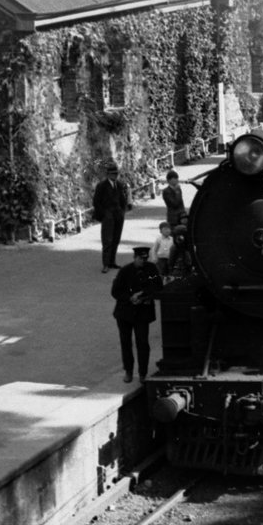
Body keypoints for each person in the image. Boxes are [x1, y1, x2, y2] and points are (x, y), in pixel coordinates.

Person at [111, 244, 160, 383]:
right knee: (126, 343)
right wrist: (130, 298)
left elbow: (158, 286)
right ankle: (128, 371)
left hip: (142, 314)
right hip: (125, 313)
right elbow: (115, 291)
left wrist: (143, 296)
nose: (143, 261)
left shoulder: (151, 269)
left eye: (145, 258)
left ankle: (143, 373)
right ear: (135, 258)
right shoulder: (125, 271)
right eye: (140, 258)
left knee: (143, 343)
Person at [91, 164, 130, 271]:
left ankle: (112, 261)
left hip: (118, 214)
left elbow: (123, 199)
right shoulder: (101, 186)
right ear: (108, 174)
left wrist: (122, 211)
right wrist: (104, 213)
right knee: (107, 240)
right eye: (113, 174)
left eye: (116, 174)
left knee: (116, 239)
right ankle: (106, 264)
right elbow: (96, 201)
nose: (115, 176)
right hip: (107, 214)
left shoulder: (120, 185)